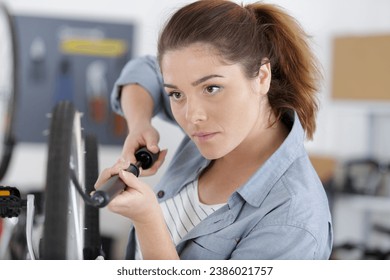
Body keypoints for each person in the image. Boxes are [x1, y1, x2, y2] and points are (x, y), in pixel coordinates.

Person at [96, 0, 333, 259]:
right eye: (175, 94)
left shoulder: (292, 220)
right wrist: (140, 123)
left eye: (211, 89)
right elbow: (142, 70)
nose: (192, 116)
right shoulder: (218, 129)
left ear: (262, 77)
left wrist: (147, 220)